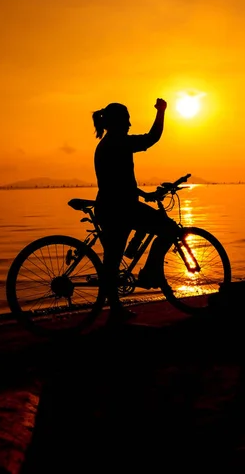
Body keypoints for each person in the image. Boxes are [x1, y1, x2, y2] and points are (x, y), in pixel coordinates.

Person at [92, 98, 179, 322]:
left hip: (113, 206)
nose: (130, 124)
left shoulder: (108, 144)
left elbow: (118, 182)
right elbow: (152, 138)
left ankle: (115, 310)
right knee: (168, 228)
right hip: (120, 209)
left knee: (112, 260)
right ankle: (150, 273)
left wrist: (144, 195)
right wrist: (161, 111)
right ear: (118, 122)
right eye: (127, 120)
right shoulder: (118, 143)